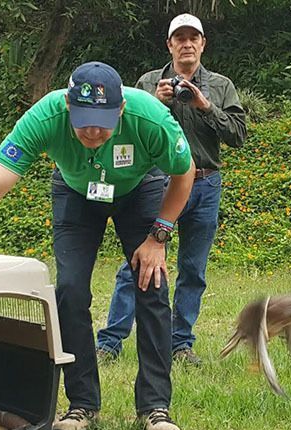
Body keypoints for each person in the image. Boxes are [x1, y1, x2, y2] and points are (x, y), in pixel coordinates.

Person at [0, 61, 195, 430]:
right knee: (69, 290)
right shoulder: (44, 117)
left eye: (103, 121)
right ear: (68, 108)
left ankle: (155, 408)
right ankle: (82, 404)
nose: (92, 131)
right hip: (76, 193)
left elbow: (184, 172)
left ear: (121, 110)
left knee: (150, 285)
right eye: (83, 119)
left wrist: (158, 236)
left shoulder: (149, 117)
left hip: (140, 190)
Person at [95, 13, 247, 366]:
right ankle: (111, 340)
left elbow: (238, 135)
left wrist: (205, 106)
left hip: (206, 184)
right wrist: (156, 101)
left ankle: (180, 343)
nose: (187, 44)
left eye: (194, 37)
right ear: (170, 45)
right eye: (180, 38)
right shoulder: (148, 83)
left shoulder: (221, 86)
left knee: (193, 269)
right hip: (157, 184)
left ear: (203, 43)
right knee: (137, 261)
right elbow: (123, 129)